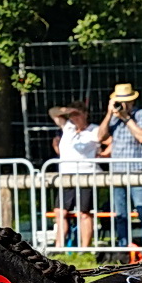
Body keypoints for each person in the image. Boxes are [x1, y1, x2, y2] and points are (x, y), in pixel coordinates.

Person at [101, 83, 142, 248]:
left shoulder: (141, 114)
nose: (122, 105)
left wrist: (126, 118)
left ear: (132, 102)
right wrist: (109, 114)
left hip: (137, 171)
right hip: (117, 172)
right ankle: (124, 250)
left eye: (125, 101)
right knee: (121, 214)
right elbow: (100, 137)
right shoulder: (114, 117)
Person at [48, 100, 103, 248]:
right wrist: (66, 110)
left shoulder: (93, 130)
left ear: (85, 114)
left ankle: (85, 248)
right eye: (72, 115)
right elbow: (53, 112)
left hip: (85, 174)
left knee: (84, 213)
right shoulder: (68, 128)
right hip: (66, 176)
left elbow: (105, 138)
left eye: (77, 114)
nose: (74, 118)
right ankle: (59, 247)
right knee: (60, 212)